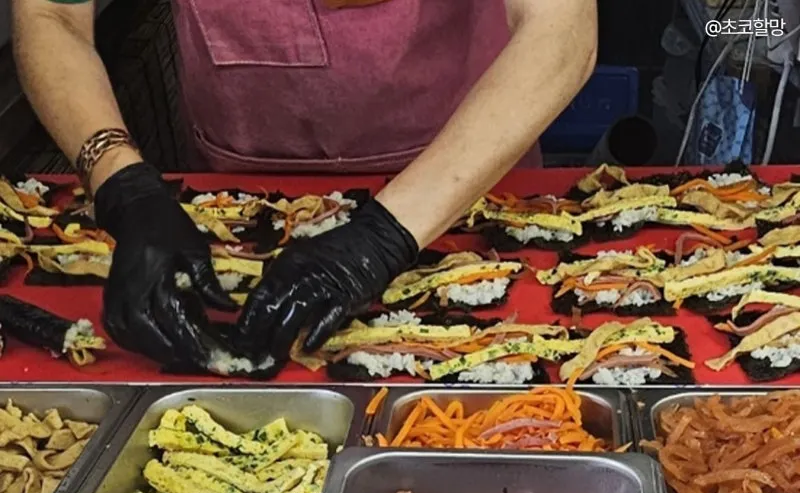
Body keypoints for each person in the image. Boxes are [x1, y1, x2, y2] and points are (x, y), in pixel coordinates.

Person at [12, 0, 597, 371]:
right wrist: (122, 184)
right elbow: (51, 15)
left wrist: (387, 233)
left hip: (470, 185)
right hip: (237, 204)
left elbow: (561, 30)